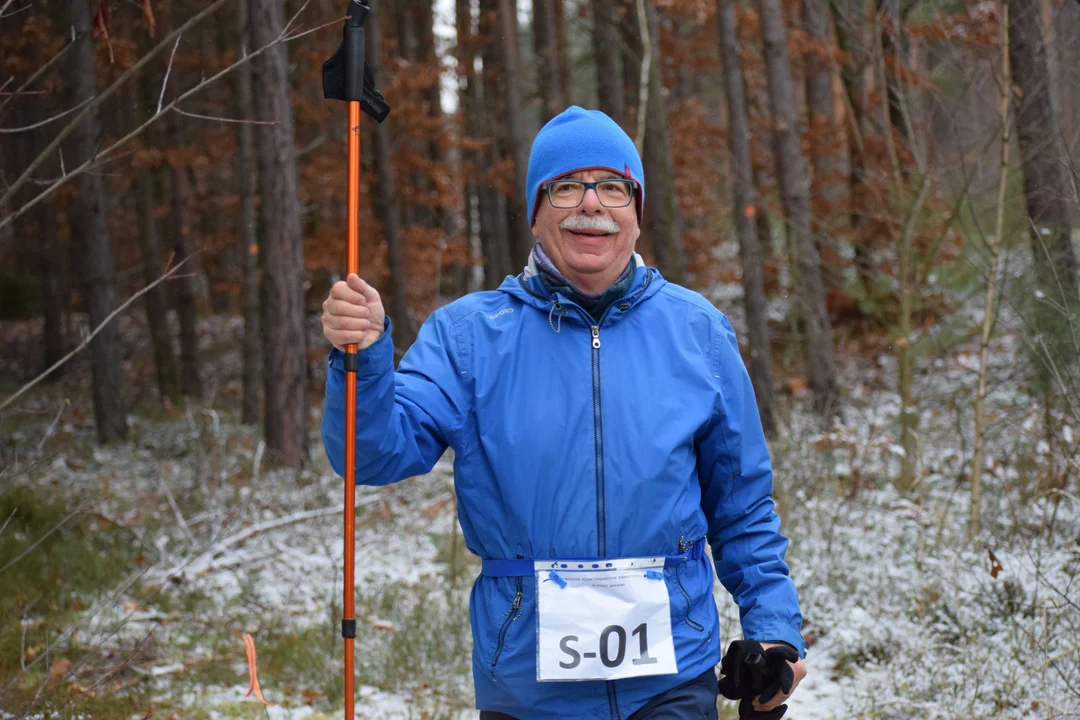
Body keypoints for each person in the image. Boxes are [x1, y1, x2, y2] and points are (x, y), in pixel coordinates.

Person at [321, 106, 807, 720]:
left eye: (612, 187)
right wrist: (361, 360)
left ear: (635, 210)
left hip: (672, 680)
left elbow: (743, 509)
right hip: (527, 688)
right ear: (535, 209)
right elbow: (371, 453)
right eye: (566, 187)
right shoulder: (467, 338)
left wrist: (775, 632)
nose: (591, 205)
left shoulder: (699, 333)